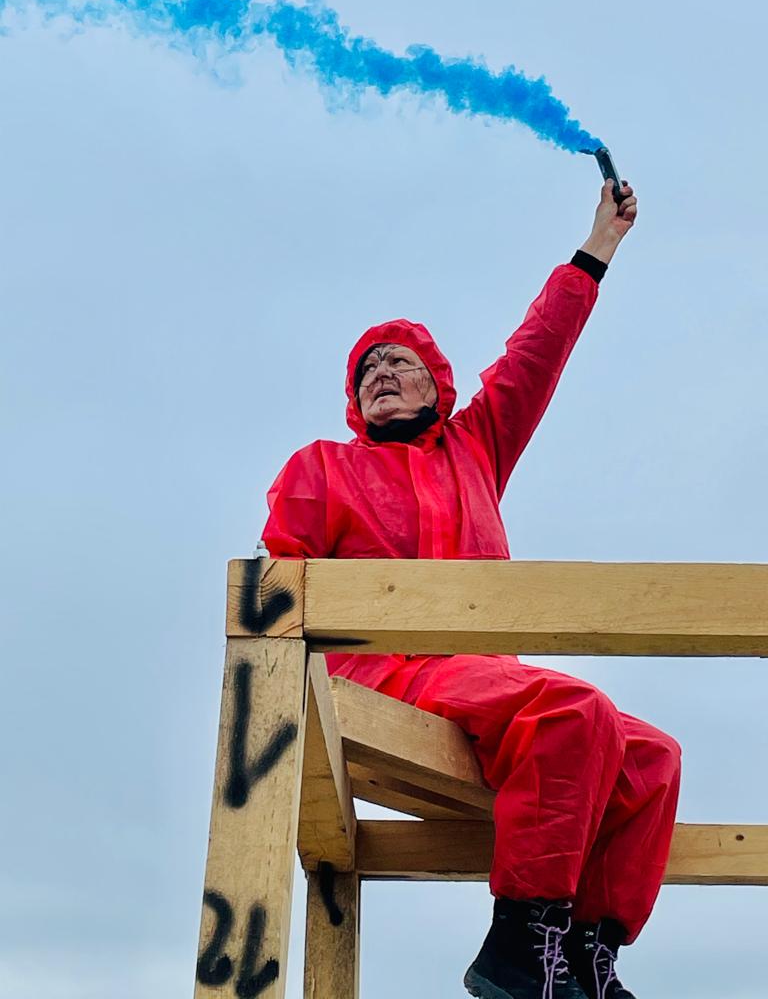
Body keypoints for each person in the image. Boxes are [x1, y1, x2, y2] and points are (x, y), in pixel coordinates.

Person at [262, 178, 682, 999]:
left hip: (475, 678)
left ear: (438, 387)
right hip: (379, 675)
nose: (381, 371)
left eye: (400, 361)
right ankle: (519, 948)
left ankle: (586, 962)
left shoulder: (475, 450)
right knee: (572, 708)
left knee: (653, 761)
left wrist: (597, 247)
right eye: (367, 369)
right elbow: (277, 588)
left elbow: (536, 353)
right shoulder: (324, 466)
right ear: (355, 403)